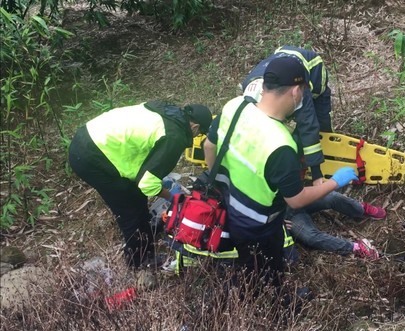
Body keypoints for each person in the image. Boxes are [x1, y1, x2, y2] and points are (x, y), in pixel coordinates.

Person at [203, 56, 357, 291]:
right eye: (304, 90)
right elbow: (295, 199)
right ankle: (278, 305)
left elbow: (209, 147)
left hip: (227, 205)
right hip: (258, 223)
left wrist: (222, 184)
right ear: (296, 91)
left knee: (249, 260)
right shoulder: (281, 144)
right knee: (266, 268)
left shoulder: (235, 106)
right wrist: (334, 182)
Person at [68, 101, 213, 268]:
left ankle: (145, 232)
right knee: (128, 207)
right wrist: (175, 197)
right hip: (90, 156)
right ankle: (138, 260)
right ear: (194, 126)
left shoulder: (167, 110)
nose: (197, 136)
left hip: (92, 136)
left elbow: (145, 150)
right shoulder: (175, 137)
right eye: (200, 132)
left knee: (136, 195)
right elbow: (147, 184)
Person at [241, 46, 332, 186]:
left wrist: (316, 174)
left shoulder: (302, 92)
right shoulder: (248, 91)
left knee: (318, 118)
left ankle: (328, 142)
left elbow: (308, 126)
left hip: (314, 69)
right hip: (281, 61)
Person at [286, 192, 385, 260]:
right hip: (286, 215)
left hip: (297, 198)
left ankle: (361, 209)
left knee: (331, 197)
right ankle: (356, 247)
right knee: (311, 237)